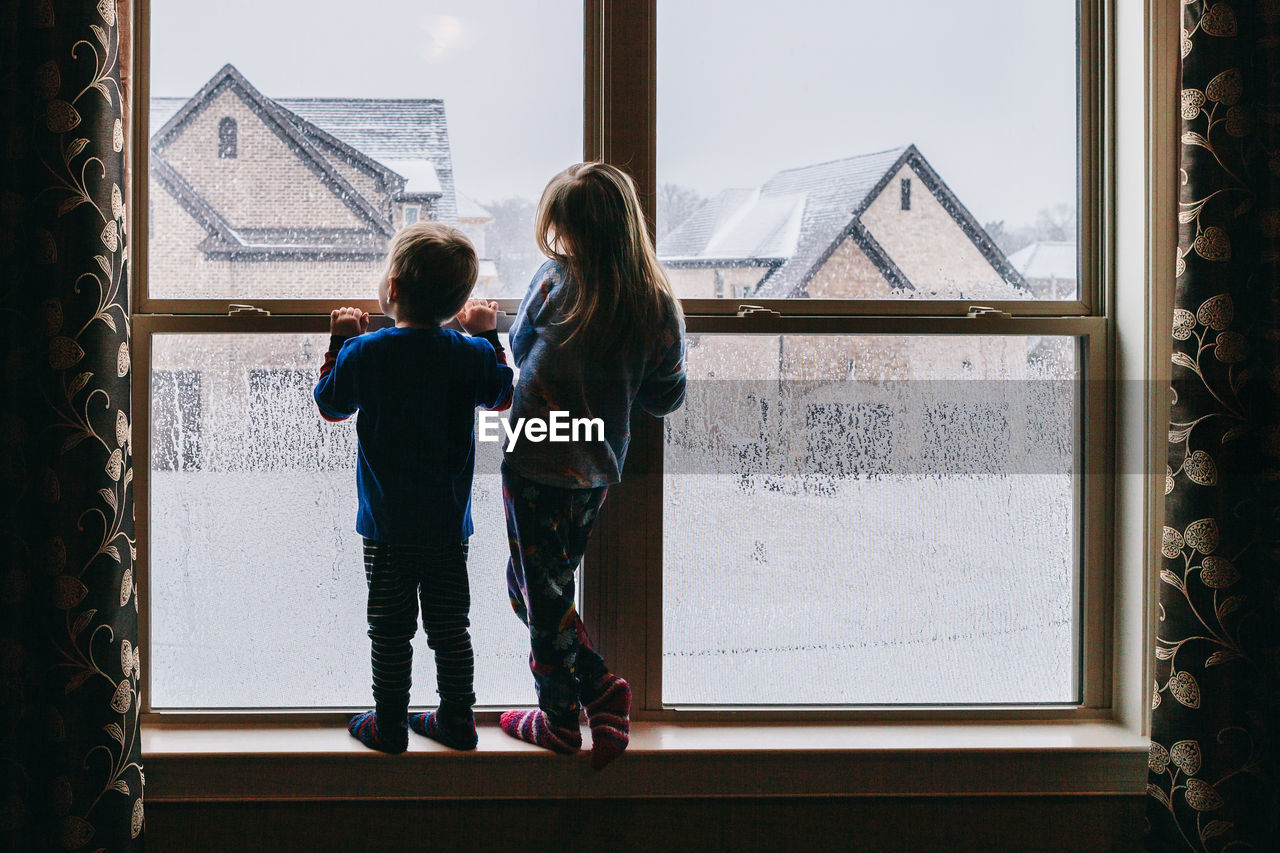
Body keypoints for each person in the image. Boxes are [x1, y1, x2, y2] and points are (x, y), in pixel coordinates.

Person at [499, 163, 686, 770]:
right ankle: (582, 695)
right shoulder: (655, 302)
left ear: (564, 230)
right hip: (594, 467)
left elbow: (521, 347)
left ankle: (571, 709)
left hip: (531, 453)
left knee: (541, 592)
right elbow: (664, 393)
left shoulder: (554, 281)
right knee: (541, 587)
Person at [314, 222, 514, 754]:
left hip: (386, 525)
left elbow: (331, 405)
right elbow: (501, 396)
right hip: (449, 524)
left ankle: (390, 724)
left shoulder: (367, 352)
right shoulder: (468, 353)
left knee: (390, 627)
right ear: (460, 301)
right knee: (451, 628)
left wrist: (340, 339)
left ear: (394, 289)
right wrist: (487, 334)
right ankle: (457, 721)